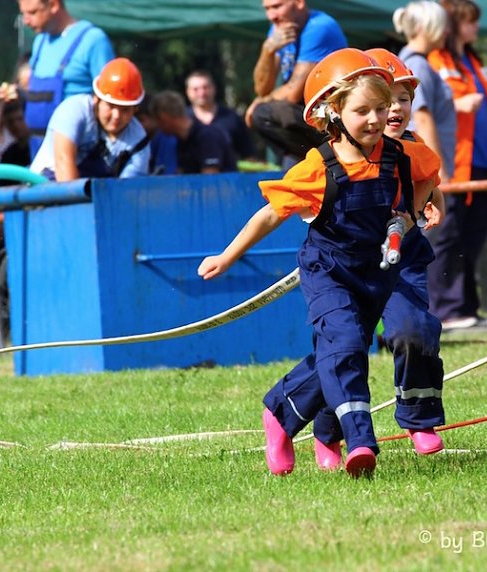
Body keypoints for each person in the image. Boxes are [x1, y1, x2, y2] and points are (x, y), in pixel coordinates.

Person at [198, 48, 441, 477]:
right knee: (345, 347)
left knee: (364, 344)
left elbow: (427, 175)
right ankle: (359, 442)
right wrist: (227, 255)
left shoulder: (402, 153)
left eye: (382, 109)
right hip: (331, 271)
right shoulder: (317, 168)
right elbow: (272, 212)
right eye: (363, 110)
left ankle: (282, 413)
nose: (376, 119)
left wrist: (412, 213)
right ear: (333, 112)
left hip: (379, 269)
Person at [309, 48, 448, 469]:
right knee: (346, 348)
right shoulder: (343, 153)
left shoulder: (413, 146)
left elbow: (426, 179)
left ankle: (420, 417)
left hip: (402, 260)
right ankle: (329, 432)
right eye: (389, 100)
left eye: (404, 99)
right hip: (352, 267)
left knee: (414, 329)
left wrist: (432, 201)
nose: (396, 110)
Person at [425, 0, 487, 330]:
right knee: (450, 236)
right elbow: (424, 105)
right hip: (455, 164)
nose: (476, 28)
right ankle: (446, 307)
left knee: (472, 237)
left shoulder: (472, 60)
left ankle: (467, 306)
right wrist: (459, 103)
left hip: (483, 161)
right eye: (470, 21)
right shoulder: (435, 61)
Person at [246, 0, 347, 163]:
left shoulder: (319, 27)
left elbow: (293, 93)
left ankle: (325, 156)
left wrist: (261, 101)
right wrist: (267, 51)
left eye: (277, 7)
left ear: (299, 3)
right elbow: (262, 88)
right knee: (262, 115)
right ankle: (304, 159)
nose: (272, 16)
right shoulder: (279, 29)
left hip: (332, 113)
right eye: (267, 9)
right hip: (309, 113)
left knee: (263, 112)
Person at [16, 0, 115, 157]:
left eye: (32, 12)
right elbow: (37, 94)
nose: (26, 21)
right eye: (24, 13)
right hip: (38, 152)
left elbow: (112, 100)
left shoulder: (93, 40)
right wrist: (18, 94)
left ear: (54, 5)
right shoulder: (40, 42)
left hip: (79, 156)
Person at [30, 57, 150, 182]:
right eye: (111, 106)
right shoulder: (73, 111)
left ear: (135, 109)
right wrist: (78, 201)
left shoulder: (138, 139)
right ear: (96, 99)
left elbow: (130, 190)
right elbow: (63, 163)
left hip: (98, 196)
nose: (116, 116)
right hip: (45, 188)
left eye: (125, 109)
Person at [394, 1, 456, 187]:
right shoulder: (418, 65)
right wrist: (439, 172)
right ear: (424, 27)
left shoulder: (409, 61)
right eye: (441, 25)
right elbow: (422, 117)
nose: (446, 32)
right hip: (425, 172)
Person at [151, 90, 237, 174]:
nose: (157, 127)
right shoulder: (181, 140)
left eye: (157, 120)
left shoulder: (207, 137)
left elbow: (211, 180)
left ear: (164, 117)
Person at [185, 69, 256, 162]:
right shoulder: (182, 119)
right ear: (187, 91)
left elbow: (248, 155)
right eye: (196, 89)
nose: (201, 93)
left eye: (205, 87)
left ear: (214, 88)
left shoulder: (232, 118)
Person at [135, 94, 178, 175]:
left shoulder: (166, 138)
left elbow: (167, 175)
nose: (138, 126)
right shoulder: (141, 140)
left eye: (141, 120)